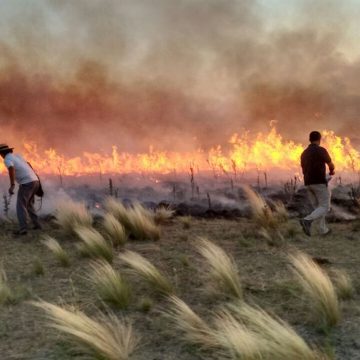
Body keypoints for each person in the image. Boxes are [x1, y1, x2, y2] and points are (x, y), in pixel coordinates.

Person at [0, 144, 41, 235]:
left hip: (27, 183)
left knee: (20, 206)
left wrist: (12, 184)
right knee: (29, 204)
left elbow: (11, 169)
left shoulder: (7, 159)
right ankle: (37, 225)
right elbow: (29, 164)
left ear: (2, 153)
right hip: (35, 181)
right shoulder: (17, 156)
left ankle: (23, 229)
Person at [300, 131, 335, 236]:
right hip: (319, 182)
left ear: (309, 139)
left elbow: (303, 168)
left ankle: (323, 230)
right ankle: (307, 220)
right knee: (325, 206)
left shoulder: (304, 153)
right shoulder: (321, 150)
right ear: (319, 139)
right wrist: (331, 171)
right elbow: (330, 164)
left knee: (318, 208)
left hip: (308, 183)